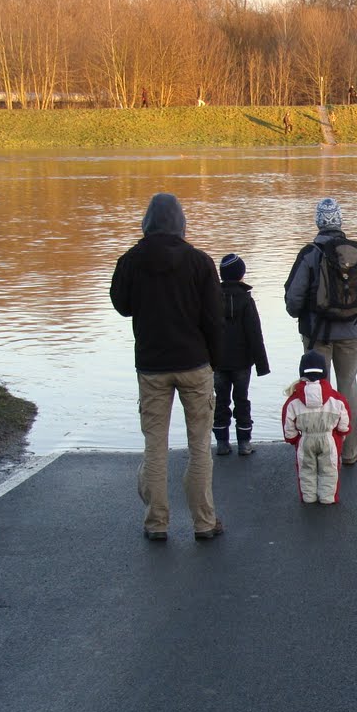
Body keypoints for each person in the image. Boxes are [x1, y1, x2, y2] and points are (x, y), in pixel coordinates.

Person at [109, 193, 224, 542]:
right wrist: (213, 363)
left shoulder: (130, 260)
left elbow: (122, 306)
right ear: (181, 223)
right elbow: (214, 320)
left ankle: (157, 522)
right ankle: (204, 522)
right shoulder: (200, 262)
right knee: (200, 445)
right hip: (194, 364)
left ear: (147, 222)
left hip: (152, 365)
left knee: (155, 447)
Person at [285, 198, 357, 466]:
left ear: (318, 221)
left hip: (317, 336)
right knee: (347, 388)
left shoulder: (309, 254)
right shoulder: (356, 253)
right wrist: (353, 316)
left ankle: (322, 454)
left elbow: (294, 298)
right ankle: (349, 452)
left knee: (316, 391)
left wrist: (303, 316)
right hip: (350, 334)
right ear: (340, 221)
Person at [213, 254, 270, 456]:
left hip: (217, 361)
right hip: (241, 362)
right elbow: (255, 333)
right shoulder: (246, 300)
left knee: (220, 400)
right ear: (241, 274)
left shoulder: (211, 298)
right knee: (242, 399)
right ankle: (244, 443)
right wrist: (262, 365)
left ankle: (221, 443)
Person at [282, 349, 351, 504]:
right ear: (324, 372)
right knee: (329, 469)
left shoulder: (294, 400)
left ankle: (309, 497)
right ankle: (327, 497)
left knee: (306, 470)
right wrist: (342, 432)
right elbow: (344, 418)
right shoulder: (335, 398)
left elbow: (288, 424)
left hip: (306, 439)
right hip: (328, 438)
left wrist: (293, 438)